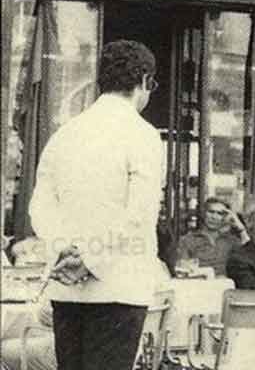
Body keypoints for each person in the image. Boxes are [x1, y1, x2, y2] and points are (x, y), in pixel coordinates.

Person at [27, 39, 165, 370]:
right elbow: (139, 214)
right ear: (144, 80)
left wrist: (66, 251)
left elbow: (40, 206)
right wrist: (90, 260)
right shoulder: (142, 135)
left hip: (67, 289)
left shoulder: (64, 134)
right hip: (118, 285)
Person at [176, 197, 247, 276]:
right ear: (204, 213)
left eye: (220, 213)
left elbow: (251, 257)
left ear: (225, 217)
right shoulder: (188, 240)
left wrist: (241, 228)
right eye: (211, 212)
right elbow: (182, 270)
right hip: (199, 284)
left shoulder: (232, 241)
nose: (214, 217)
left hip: (226, 285)